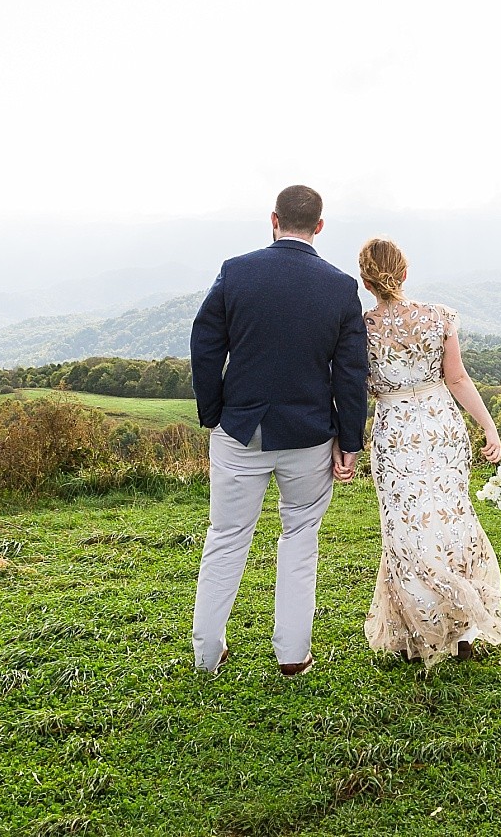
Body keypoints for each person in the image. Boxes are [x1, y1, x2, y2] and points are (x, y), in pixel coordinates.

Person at [189, 185, 368, 678]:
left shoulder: (236, 271)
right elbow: (351, 373)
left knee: (225, 538)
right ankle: (292, 655)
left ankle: (207, 654)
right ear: (320, 226)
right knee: (300, 538)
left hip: (238, 428)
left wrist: (214, 413)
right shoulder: (339, 286)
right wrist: (349, 440)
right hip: (309, 434)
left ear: (274, 219)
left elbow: (205, 345)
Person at [357, 237, 501, 668]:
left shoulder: (361, 329)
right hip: (442, 426)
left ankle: (420, 629)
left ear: (367, 282)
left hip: (395, 433)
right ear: (404, 274)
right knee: (452, 520)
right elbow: (457, 379)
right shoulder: (437, 317)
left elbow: (357, 386)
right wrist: (488, 426)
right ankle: (462, 629)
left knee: (406, 528)